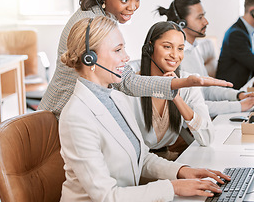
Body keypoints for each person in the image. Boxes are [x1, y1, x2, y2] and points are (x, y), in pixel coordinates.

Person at [59, 15, 230, 201]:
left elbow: (142, 157)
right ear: (90, 58)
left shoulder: (115, 97)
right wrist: (173, 187)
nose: (126, 57)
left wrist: (182, 171)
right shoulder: (76, 117)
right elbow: (107, 196)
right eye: (118, 50)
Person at [39, 0, 231, 119]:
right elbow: (127, 81)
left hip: (80, 110)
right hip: (60, 115)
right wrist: (179, 83)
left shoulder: (99, 16)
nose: (133, 6)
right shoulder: (91, 25)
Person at [157, 0, 254, 117]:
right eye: (200, 17)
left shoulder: (193, 49)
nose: (206, 22)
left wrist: (238, 95)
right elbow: (193, 106)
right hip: (189, 129)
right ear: (182, 24)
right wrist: (239, 106)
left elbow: (206, 89)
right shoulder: (176, 58)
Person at [127, 21, 214, 161]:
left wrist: (177, 98)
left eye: (180, 48)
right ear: (150, 48)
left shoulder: (187, 81)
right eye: (167, 47)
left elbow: (207, 137)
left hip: (169, 160)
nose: (175, 55)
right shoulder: (131, 86)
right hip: (138, 165)